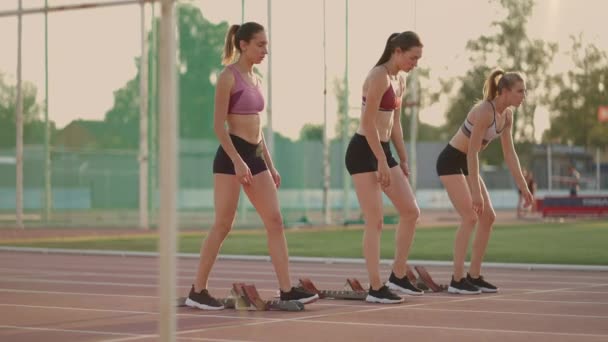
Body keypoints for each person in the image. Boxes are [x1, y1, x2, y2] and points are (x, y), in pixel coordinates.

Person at [185, 22, 318, 310]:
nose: (265, 51)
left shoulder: (257, 80)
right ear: (243, 45)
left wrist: (270, 165)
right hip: (231, 156)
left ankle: (286, 290)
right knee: (223, 225)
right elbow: (218, 127)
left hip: (256, 156)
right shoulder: (227, 77)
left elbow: (258, 128)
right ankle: (198, 290)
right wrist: (237, 161)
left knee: (275, 221)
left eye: (266, 45)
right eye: (260, 45)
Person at [436, 68, 534, 294]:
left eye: (524, 91)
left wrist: (523, 186)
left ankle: (474, 275)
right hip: (451, 161)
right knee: (471, 216)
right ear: (505, 91)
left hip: (467, 164)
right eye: (520, 91)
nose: (524, 96)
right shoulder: (483, 111)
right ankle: (457, 280)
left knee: (488, 217)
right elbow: (471, 153)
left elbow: (510, 154)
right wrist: (476, 193)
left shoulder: (507, 115)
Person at [345, 31, 423, 304]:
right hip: (363, 150)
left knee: (411, 211)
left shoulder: (400, 79)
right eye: (413, 57)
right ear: (398, 51)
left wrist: (400, 158)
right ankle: (376, 287)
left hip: (383, 149)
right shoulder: (378, 76)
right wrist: (380, 159)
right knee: (375, 220)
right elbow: (367, 125)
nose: (415, 63)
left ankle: (398, 275)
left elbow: (395, 124)